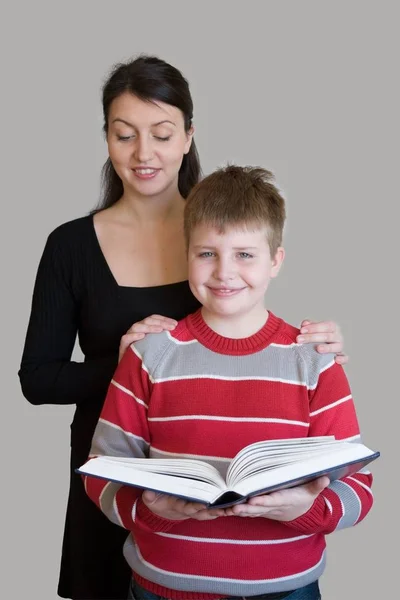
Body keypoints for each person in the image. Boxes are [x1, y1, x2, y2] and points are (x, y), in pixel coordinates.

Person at [19, 55, 348, 600]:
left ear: (189, 136)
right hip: (119, 470)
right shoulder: (70, 246)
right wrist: (123, 364)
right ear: (106, 139)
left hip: (225, 474)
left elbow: (251, 332)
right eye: (125, 135)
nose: (144, 153)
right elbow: (37, 379)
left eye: (163, 134)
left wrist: (317, 344)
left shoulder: (218, 229)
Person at [83, 165, 373, 600]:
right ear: (187, 255)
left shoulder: (315, 361)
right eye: (207, 253)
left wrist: (309, 510)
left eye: (244, 254)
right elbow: (101, 473)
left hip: (287, 587)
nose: (224, 272)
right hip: (163, 585)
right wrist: (149, 510)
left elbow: (359, 487)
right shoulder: (151, 354)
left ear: (275, 260)